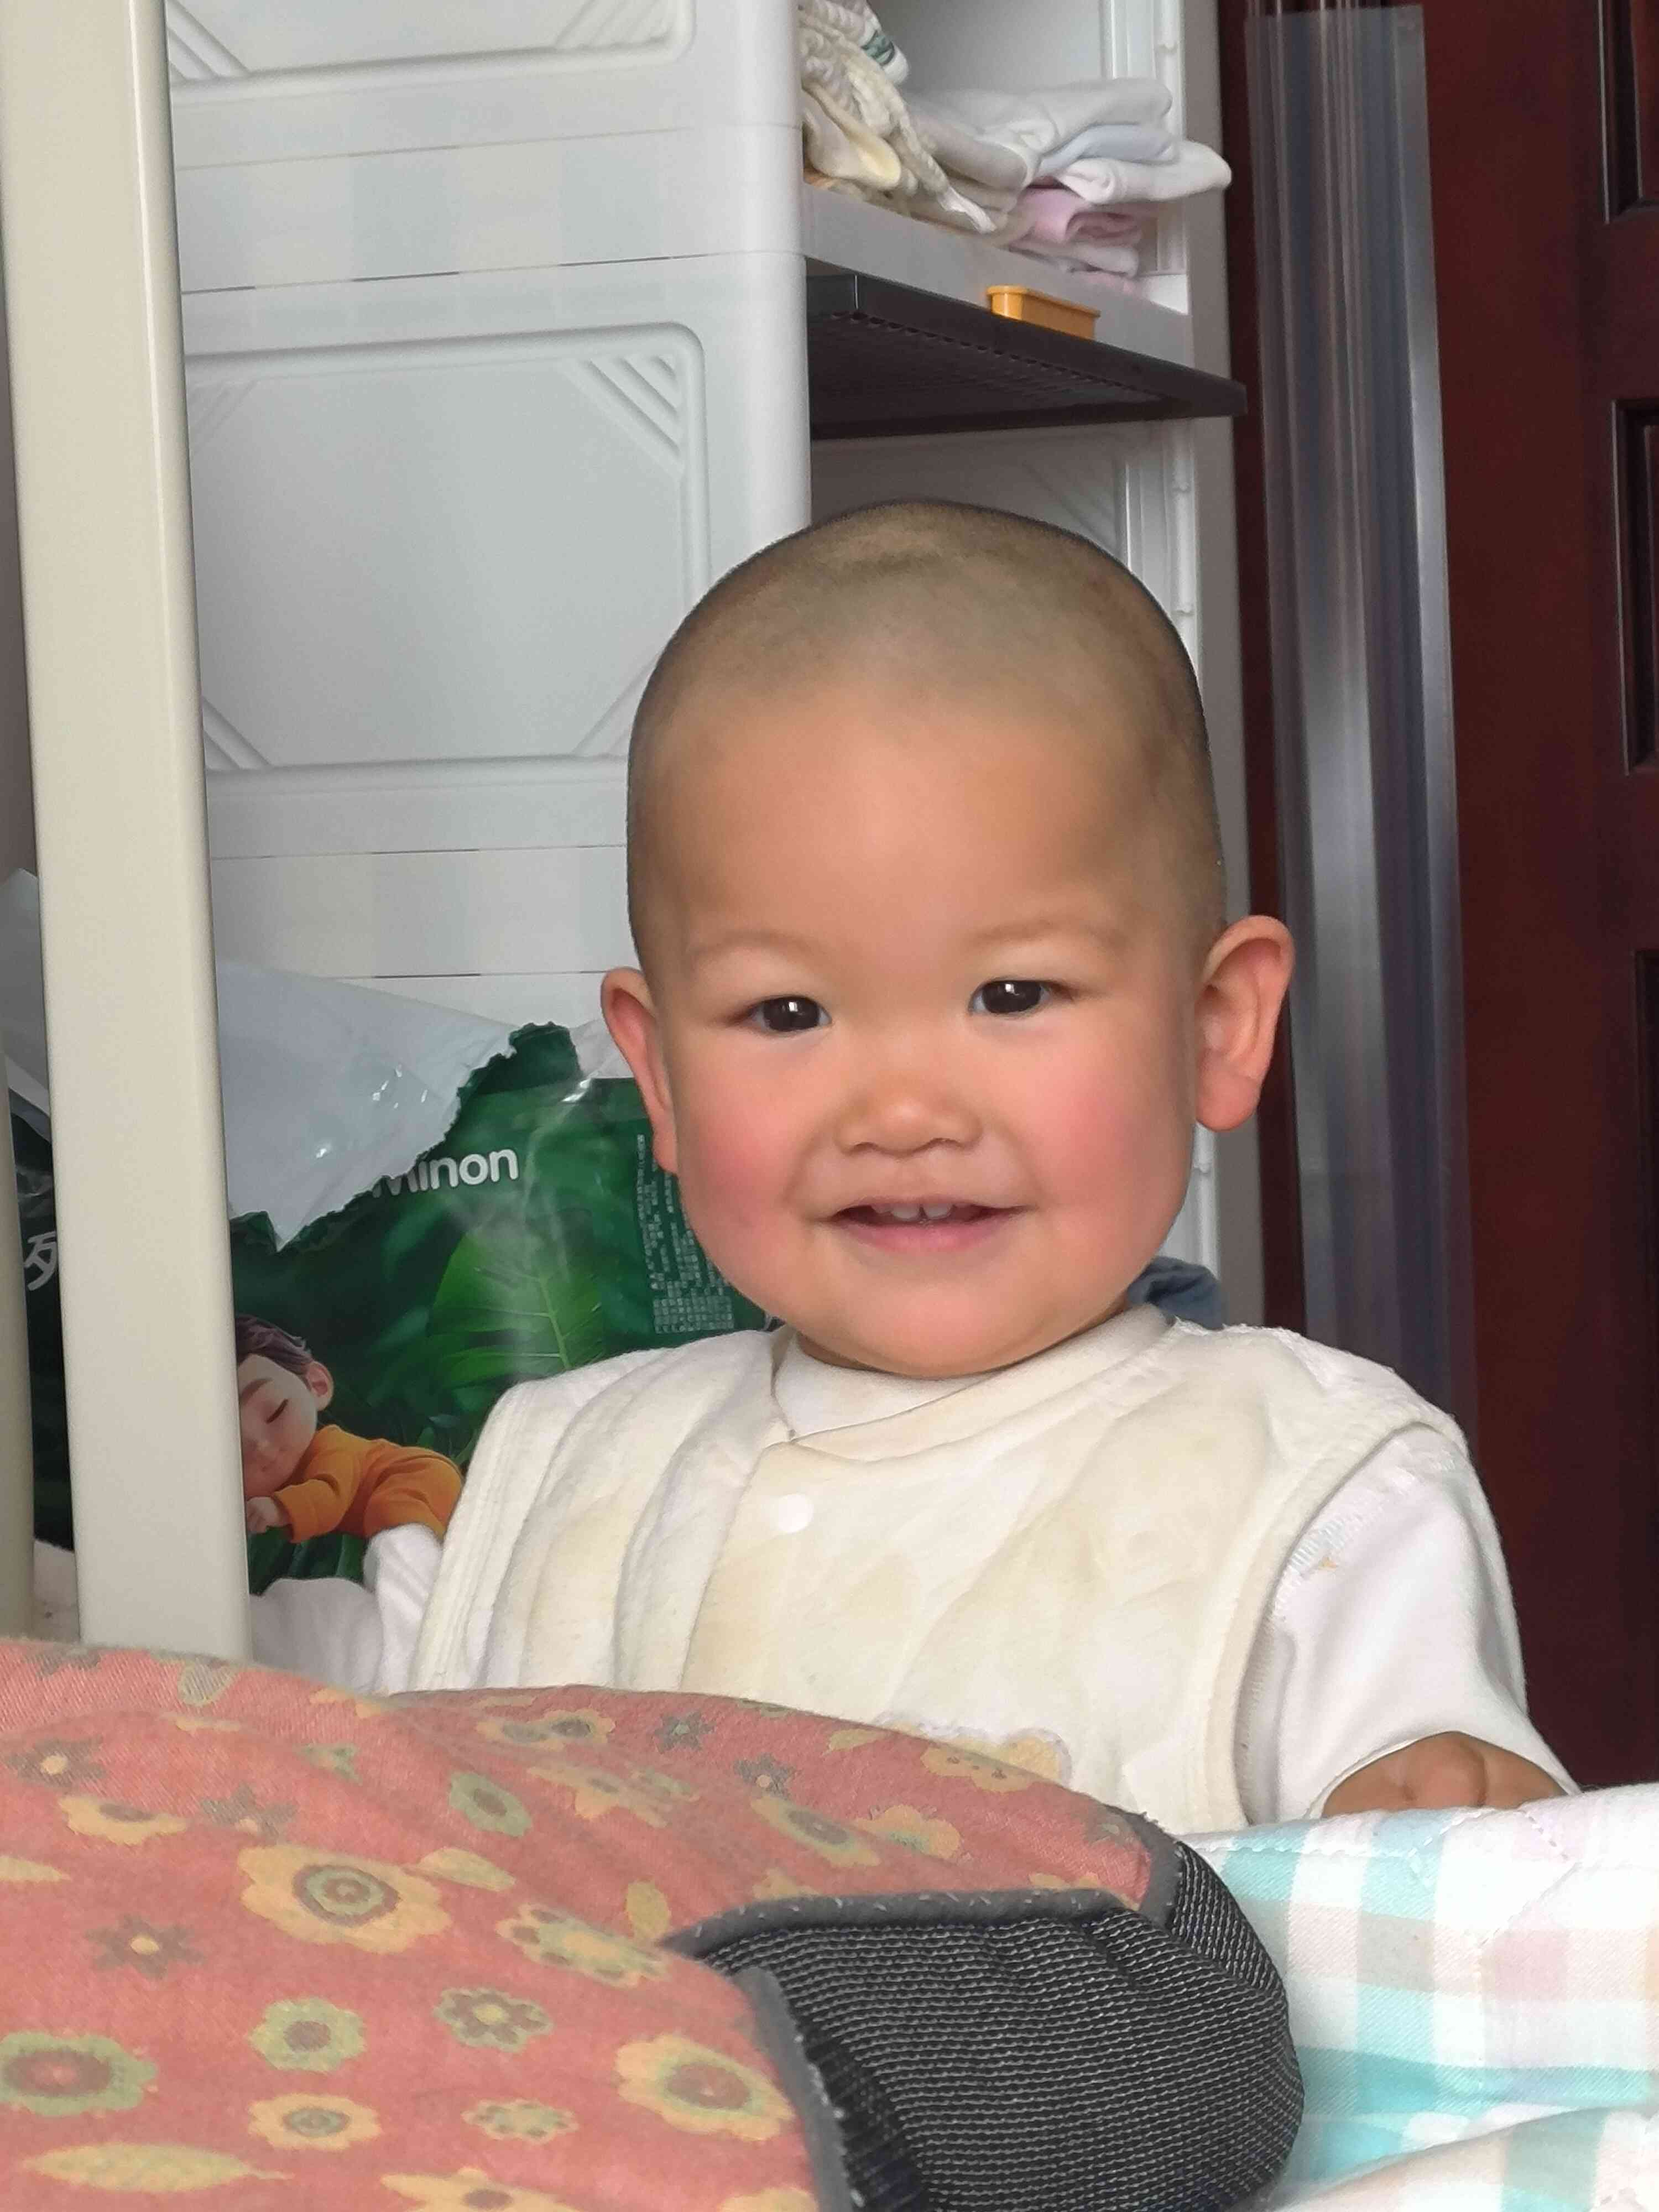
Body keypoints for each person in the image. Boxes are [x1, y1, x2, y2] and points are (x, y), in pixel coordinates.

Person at [261, 502, 1566, 1830]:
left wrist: (1434, 1807)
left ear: (1215, 1025)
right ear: (660, 1076)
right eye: (787, 1012)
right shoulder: (557, 1473)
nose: (900, 1110)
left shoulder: (1313, 1491)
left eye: (1011, 993)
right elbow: (263, 1726)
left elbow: (1451, 1884)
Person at [236, 1314, 461, 1543]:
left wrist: (279, 1509)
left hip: (416, 1474)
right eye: (236, 1454)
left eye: (276, 1411)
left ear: (317, 1385)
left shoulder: (331, 1447)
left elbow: (329, 1495)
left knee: (388, 1510)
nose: (262, 1448)